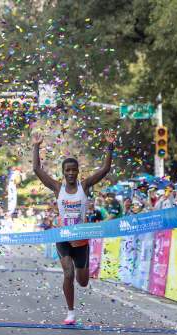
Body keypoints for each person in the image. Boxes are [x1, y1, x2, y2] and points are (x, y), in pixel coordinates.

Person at [33, 128, 115, 324]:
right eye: (67, 170)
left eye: (73, 170)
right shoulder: (57, 188)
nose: (70, 173)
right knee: (68, 272)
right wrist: (36, 146)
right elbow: (37, 169)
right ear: (63, 173)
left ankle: (82, 275)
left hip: (81, 241)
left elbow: (104, 170)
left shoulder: (84, 186)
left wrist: (110, 146)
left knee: (83, 281)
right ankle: (70, 312)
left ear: (78, 172)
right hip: (63, 239)